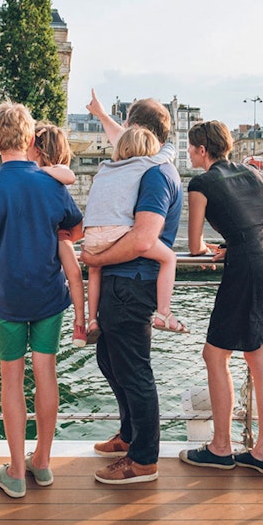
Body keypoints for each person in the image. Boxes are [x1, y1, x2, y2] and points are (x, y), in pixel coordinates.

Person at [0, 103, 83, 498]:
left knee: (11, 382)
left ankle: (16, 471)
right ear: (32, 140)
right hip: (49, 293)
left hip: (9, 296)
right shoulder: (53, 185)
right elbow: (75, 229)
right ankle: (43, 463)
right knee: (45, 374)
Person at [178, 120, 263, 476]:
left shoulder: (201, 183)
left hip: (248, 269)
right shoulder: (254, 173)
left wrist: (227, 246)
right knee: (260, 362)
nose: (189, 153)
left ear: (202, 150)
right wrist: (240, 241)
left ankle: (221, 447)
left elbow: (195, 245)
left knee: (214, 354)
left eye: (191, 148)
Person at [80, 94, 183, 485]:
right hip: (121, 281)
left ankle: (143, 460)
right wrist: (102, 114)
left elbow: (143, 240)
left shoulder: (156, 174)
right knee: (110, 360)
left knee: (135, 372)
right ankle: (128, 435)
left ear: (135, 129)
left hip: (133, 281)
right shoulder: (144, 166)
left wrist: (95, 259)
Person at [81, 125, 184, 336]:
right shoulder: (145, 164)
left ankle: (91, 320)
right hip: (119, 233)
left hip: (91, 235)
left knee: (94, 269)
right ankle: (164, 313)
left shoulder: (104, 168)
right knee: (168, 258)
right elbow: (167, 152)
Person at [30, 123, 88, 346]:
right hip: (49, 233)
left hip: (56, 232)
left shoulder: (53, 172)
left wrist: (42, 169)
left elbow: (70, 175)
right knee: (71, 273)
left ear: (38, 150)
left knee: (73, 272)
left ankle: (79, 323)